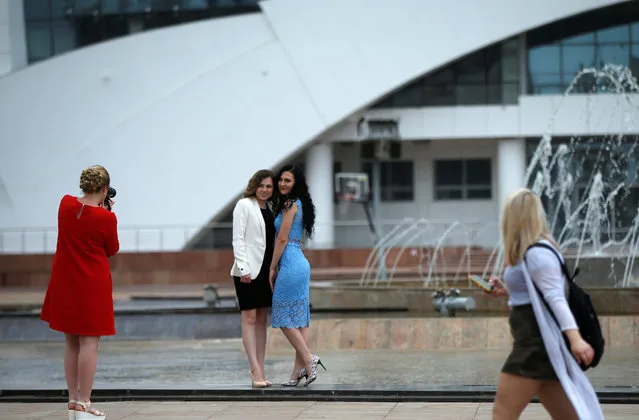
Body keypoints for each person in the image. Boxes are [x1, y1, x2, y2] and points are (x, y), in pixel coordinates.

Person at [486, 188, 603, 420]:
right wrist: (507, 291)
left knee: (503, 413)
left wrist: (576, 339)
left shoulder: (539, 253)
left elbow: (555, 298)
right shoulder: (528, 251)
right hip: (538, 345)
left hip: (535, 347)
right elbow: (536, 295)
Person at [40, 165, 119, 420]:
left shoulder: (64, 205)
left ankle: (73, 400)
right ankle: (85, 404)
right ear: (105, 189)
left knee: (71, 340)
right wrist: (106, 213)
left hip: (65, 281)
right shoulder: (106, 218)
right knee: (89, 342)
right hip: (92, 284)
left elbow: (76, 220)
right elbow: (111, 248)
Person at [269, 164, 326, 387]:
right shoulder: (300, 204)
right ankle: (296, 373)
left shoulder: (290, 204)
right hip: (300, 262)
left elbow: (282, 239)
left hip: (291, 263)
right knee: (300, 320)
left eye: (287, 181)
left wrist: (272, 268)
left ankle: (308, 357)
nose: (282, 184)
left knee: (283, 316)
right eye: (281, 180)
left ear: (295, 184)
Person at [230, 169, 276, 388]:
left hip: (266, 271)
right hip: (247, 271)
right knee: (249, 318)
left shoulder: (271, 208)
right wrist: (243, 267)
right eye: (262, 185)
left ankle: (262, 368)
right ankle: (254, 369)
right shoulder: (244, 205)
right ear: (254, 185)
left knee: (261, 320)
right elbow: (238, 239)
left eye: (269, 186)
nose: (265, 190)